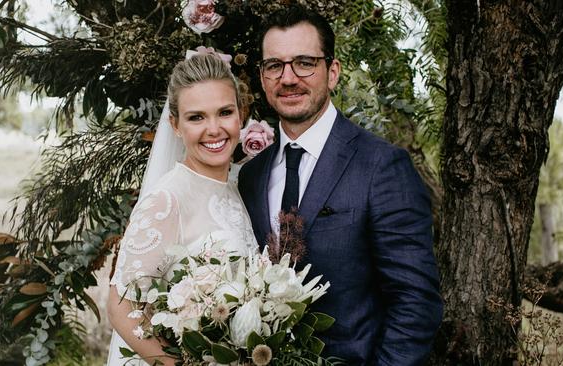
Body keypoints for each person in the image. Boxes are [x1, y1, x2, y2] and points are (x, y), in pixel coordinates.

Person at [238, 6, 443, 365]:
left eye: (304, 63)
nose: (288, 78)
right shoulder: (251, 175)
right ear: (262, 76)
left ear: (332, 73)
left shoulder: (382, 166)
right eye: (275, 66)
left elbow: (415, 302)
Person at [106, 53, 258, 366]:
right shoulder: (167, 199)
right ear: (175, 125)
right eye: (196, 117)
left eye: (224, 112)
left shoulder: (239, 186)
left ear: (241, 115)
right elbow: (120, 305)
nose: (214, 129)